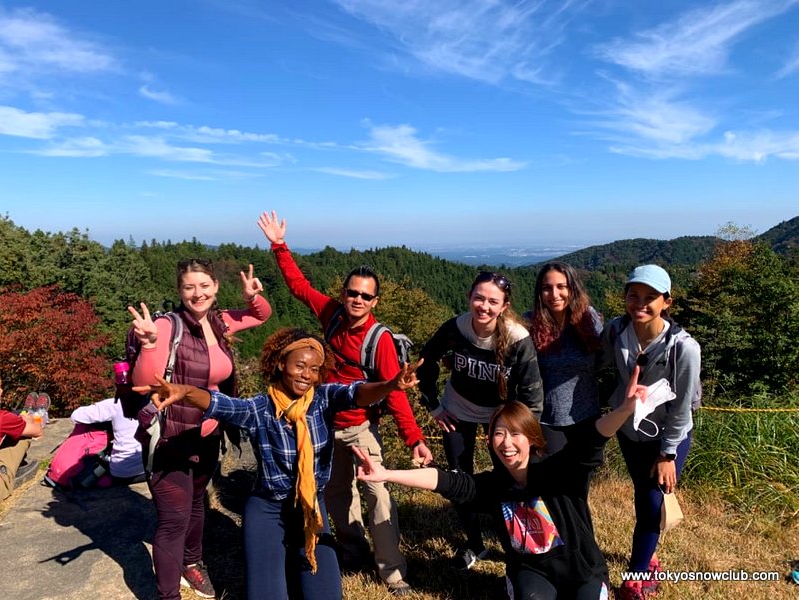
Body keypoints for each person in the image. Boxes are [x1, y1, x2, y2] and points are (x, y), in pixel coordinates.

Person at [133, 327, 423, 600]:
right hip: (268, 508)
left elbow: (357, 394)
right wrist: (184, 392)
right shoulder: (260, 408)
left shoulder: (324, 399)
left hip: (311, 506)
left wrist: (390, 385)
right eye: (299, 365)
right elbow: (218, 403)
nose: (306, 375)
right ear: (281, 364)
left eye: (313, 369)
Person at [355, 366, 649, 600]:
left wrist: (624, 410)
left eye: (515, 434)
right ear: (489, 440)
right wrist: (386, 474)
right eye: (498, 434)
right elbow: (444, 480)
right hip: (533, 572)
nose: (506, 443)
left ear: (532, 439)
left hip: (583, 570)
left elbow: (591, 442)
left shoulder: (559, 473)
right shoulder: (494, 487)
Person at [258, 210, 431, 596]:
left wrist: (413, 438)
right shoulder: (332, 314)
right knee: (336, 493)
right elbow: (299, 286)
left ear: (375, 301)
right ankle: (354, 551)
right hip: (323, 422)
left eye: (365, 296)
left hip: (360, 427)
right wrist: (279, 246)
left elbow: (394, 390)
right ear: (343, 294)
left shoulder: (379, 340)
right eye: (352, 292)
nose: (357, 299)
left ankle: (393, 573)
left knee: (378, 494)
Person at [128, 260, 271, 600]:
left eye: (204, 286)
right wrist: (149, 345)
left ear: (216, 287)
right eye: (190, 287)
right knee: (173, 519)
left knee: (196, 505)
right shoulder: (167, 327)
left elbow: (261, 315)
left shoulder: (220, 323)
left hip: (207, 435)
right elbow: (144, 383)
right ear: (179, 291)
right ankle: (168, 595)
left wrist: (253, 298)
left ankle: (191, 564)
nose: (198, 293)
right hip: (170, 438)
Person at [417, 270, 544, 569]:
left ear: (504, 305)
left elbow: (532, 393)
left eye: (492, 301)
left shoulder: (516, 338)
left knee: (509, 480)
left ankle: (517, 541)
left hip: (500, 418)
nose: (484, 306)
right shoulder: (457, 327)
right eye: (478, 298)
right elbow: (426, 360)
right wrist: (433, 406)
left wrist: (519, 433)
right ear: (469, 298)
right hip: (457, 409)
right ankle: (474, 543)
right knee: (459, 477)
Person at [599, 264, 701, 600]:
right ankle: (649, 557)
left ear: (667, 302)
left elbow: (683, 406)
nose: (639, 303)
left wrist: (667, 454)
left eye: (650, 297)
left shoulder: (683, 348)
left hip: (667, 436)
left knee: (650, 502)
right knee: (644, 496)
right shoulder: (616, 330)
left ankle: (635, 578)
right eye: (633, 295)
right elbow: (594, 361)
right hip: (630, 431)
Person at [526, 262, 603, 455]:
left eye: (561, 287)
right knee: (554, 478)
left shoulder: (589, 318)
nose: (554, 294)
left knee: (582, 478)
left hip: (587, 414)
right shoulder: (529, 324)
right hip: (546, 419)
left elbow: (604, 356)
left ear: (572, 288)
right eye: (547, 288)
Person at [70, 398, 146, 485]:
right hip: (151, 468)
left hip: (122, 471)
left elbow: (75, 416)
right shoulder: (158, 401)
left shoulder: (115, 404)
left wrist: (98, 406)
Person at [0, 371, 44, 502]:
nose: (1, 391)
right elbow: (37, 431)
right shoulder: (2, 418)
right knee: (22, 437)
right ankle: (36, 413)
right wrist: (29, 420)